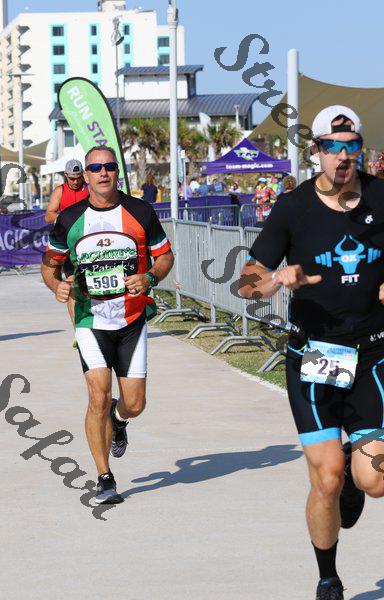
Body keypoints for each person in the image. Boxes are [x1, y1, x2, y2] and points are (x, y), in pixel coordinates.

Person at [239, 105, 384, 599]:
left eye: (351, 146)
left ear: (359, 148)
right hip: (315, 358)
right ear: (315, 151)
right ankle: (328, 577)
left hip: (373, 356)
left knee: (374, 480)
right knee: (326, 479)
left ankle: (353, 470)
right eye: (332, 147)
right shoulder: (293, 208)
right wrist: (277, 279)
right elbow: (246, 284)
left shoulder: (381, 197)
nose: (343, 156)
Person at [41, 146, 174, 504]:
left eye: (109, 166)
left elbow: (165, 256)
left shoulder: (140, 212)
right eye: (95, 168)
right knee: (97, 395)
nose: (103, 173)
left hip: (131, 320)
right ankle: (104, 477)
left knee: (135, 403)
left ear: (117, 172)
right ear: (85, 176)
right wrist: (57, 286)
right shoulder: (70, 218)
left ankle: (119, 419)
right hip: (89, 319)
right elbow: (50, 265)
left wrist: (150, 277)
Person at [45, 159, 88, 341]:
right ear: (66, 176)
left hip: (89, 246)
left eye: (78, 178)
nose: (75, 182)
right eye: (72, 179)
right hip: (70, 248)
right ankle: (78, 332)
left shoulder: (90, 188)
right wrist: (68, 218)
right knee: (72, 285)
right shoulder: (60, 191)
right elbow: (49, 215)